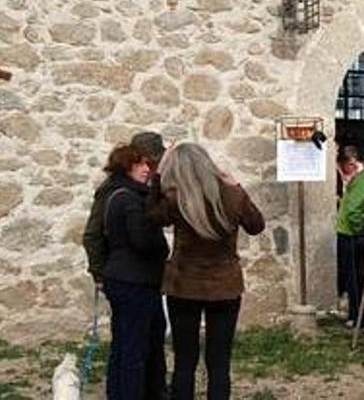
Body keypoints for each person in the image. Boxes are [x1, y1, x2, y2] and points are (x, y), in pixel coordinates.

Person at [148, 143, 264, 400]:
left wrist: (156, 178)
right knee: (219, 362)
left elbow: (152, 216)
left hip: (184, 285)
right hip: (225, 286)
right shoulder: (232, 195)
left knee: (184, 362)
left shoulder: (177, 199)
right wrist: (237, 186)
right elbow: (256, 226)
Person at [100, 144, 169, 400]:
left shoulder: (118, 195)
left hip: (125, 278)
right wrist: (161, 249)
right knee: (134, 350)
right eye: (140, 164)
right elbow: (142, 240)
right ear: (126, 166)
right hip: (135, 282)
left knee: (124, 345)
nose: (146, 169)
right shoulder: (129, 199)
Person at [85, 132, 166, 286]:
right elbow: (93, 233)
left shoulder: (144, 187)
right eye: (145, 163)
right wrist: (99, 274)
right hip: (125, 275)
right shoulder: (113, 190)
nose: (150, 168)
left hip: (145, 274)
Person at [335, 148, 364, 329]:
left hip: (351, 233)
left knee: (357, 279)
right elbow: (354, 210)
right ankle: (359, 316)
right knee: (357, 279)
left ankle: (360, 316)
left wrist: (359, 228)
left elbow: (354, 209)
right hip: (352, 232)